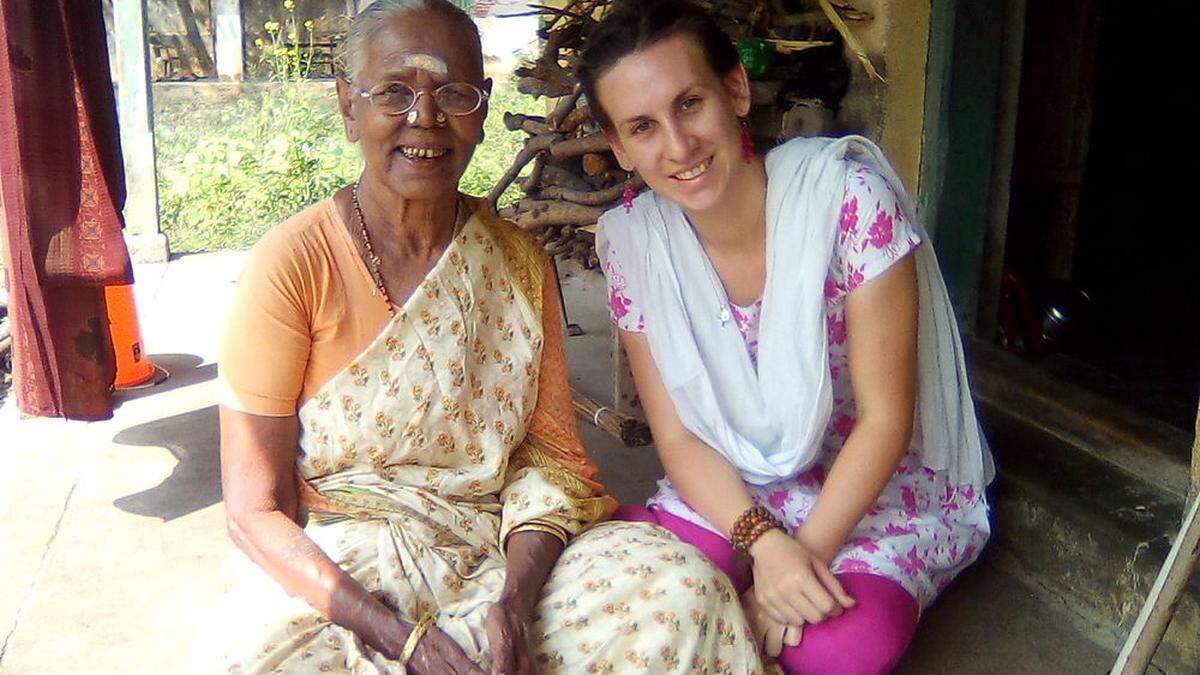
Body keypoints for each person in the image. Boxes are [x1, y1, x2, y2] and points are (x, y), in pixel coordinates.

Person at [193, 1, 765, 673]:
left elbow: (555, 464)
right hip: (351, 570)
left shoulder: (518, 260)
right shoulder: (292, 262)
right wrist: (398, 637)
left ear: (485, 107)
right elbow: (254, 511)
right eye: (395, 92)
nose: (426, 118)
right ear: (350, 106)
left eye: (454, 93)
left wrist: (514, 602)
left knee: (682, 591)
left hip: (494, 550)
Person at [579, 1, 994, 672]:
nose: (678, 147)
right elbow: (678, 436)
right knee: (632, 588)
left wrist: (801, 563)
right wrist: (767, 546)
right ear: (620, 147)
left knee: (837, 647)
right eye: (643, 127)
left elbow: (887, 419)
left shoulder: (847, 201)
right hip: (730, 476)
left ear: (736, 90)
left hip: (863, 484)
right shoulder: (634, 242)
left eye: (690, 104)